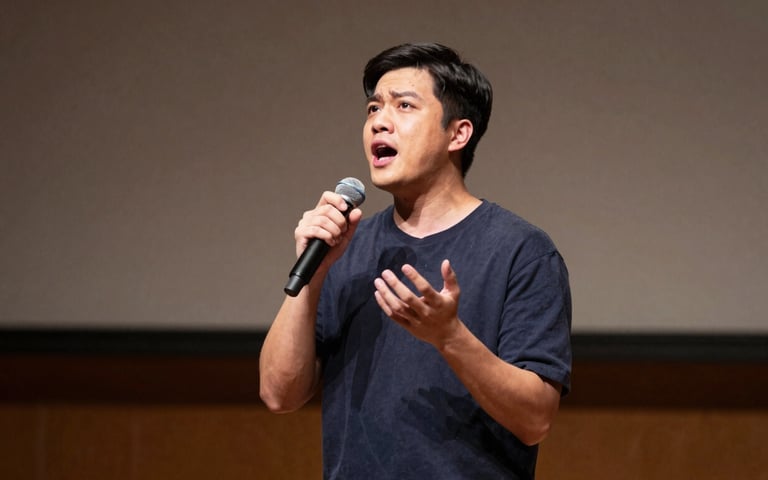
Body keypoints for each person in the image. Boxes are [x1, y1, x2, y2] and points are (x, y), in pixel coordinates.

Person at [259, 42, 572, 479]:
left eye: (404, 105)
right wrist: (314, 274)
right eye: (372, 109)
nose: (378, 122)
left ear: (457, 134)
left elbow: (536, 420)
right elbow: (279, 394)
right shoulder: (346, 245)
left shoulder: (522, 251)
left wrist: (449, 337)